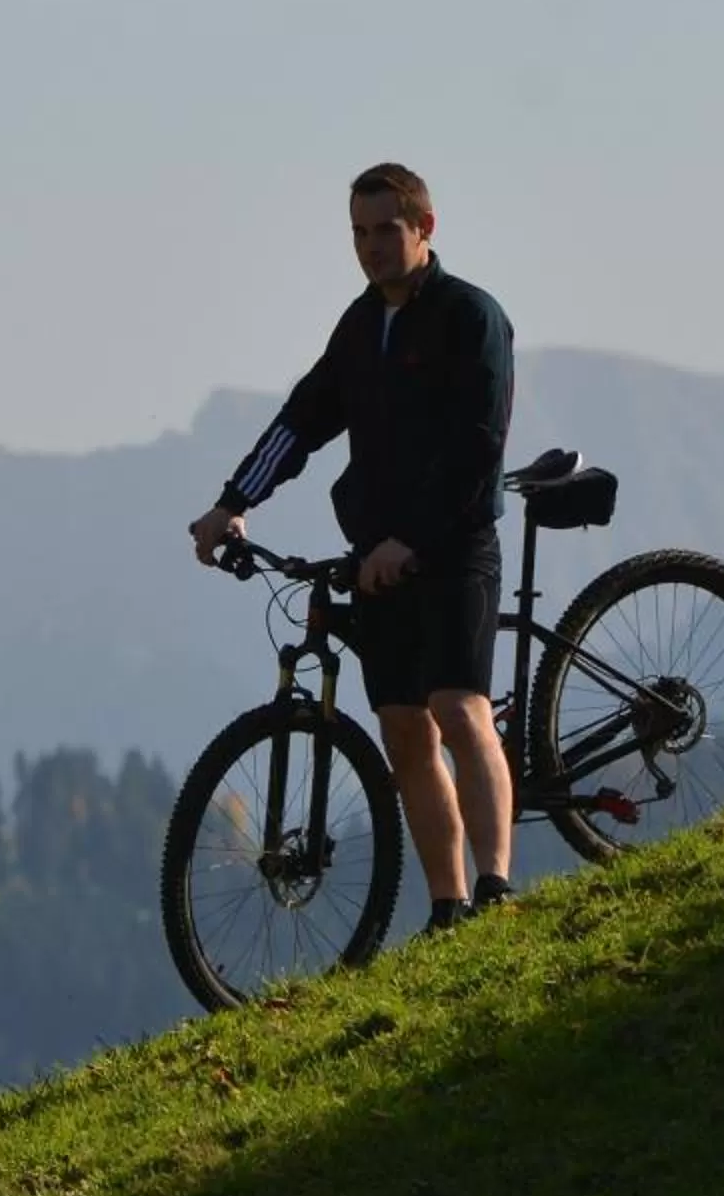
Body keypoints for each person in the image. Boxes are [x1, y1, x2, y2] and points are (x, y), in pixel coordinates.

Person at [188, 164, 518, 931]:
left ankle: (497, 885)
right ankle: (450, 905)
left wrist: (414, 539)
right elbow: (303, 419)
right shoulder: (360, 327)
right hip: (378, 557)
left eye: (385, 231)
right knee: (404, 729)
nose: (370, 248)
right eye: (359, 234)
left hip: (454, 547)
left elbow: (480, 448)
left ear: (424, 229)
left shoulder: (471, 318)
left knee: (459, 708)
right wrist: (231, 504)